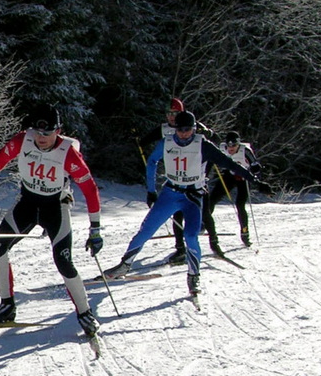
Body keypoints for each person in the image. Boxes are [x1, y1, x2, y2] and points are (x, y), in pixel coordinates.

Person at [0, 103, 104, 339]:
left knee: (63, 261)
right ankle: (7, 305)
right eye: (38, 132)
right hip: (27, 204)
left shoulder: (69, 153)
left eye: (47, 133)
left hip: (55, 207)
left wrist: (95, 229)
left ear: (58, 131)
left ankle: (85, 313)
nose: (41, 138)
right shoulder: (23, 140)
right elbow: (2, 158)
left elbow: (90, 190)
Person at [103, 110, 255, 296]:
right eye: (180, 129)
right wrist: (151, 190)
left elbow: (228, 163)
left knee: (191, 236)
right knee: (146, 230)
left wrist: (252, 178)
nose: (183, 133)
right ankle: (124, 265)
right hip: (170, 193)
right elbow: (152, 161)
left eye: (187, 129)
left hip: (193, 197)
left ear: (194, 129)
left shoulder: (203, 145)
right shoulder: (166, 142)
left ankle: (193, 276)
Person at [138, 98, 187, 265]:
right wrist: (140, 141)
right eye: (169, 113)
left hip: (194, 179)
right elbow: (148, 144)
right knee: (177, 213)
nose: (171, 117)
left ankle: (213, 242)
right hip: (175, 178)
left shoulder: (191, 126)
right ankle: (180, 249)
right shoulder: (164, 130)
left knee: (204, 210)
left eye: (175, 113)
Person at [203, 130, 261, 254]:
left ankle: (245, 233)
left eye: (233, 145)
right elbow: (210, 160)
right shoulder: (221, 148)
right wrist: (205, 174)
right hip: (229, 176)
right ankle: (204, 224)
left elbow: (255, 164)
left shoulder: (245, 150)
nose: (230, 149)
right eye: (228, 145)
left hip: (243, 178)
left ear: (238, 144)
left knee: (240, 205)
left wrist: (255, 170)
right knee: (212, 200)